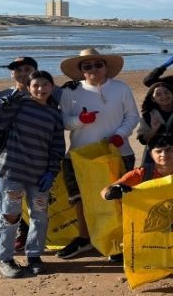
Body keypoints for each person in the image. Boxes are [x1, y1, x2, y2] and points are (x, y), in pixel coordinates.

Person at [0, 70, 65, 278]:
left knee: (39, 216)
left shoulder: (54, 115)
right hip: (11, 172)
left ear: (52, 86)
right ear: (29, 88)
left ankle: (34, 256)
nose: (41, 89)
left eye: (45, 85)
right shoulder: (18, 106)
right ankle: (5, 258)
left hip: (39, 176)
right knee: (10, 216)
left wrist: (51, 171)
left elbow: (57, 147)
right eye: (36, 86)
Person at [56, 48, 140, 260]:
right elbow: (63, 121)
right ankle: (84, 238)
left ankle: (118, 240)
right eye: (87, 66)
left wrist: (121, 134)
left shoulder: (120, 88)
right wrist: (79, 121)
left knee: (117, 197)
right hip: (80, 155)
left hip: (118, 152)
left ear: (105, 67)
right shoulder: (70, 91)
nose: (93, 69)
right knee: (80, 199)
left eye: (98, 65)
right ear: (81, 70)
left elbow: (132, 116)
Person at [0, 56, 40, 253]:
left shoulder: (44, 93)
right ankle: (6, 250)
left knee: (37, 205)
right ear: (11, 73)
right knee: (10, 206)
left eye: (27, 69)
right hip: (9, 160)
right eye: (18, 70)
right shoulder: (4, 95)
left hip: (38, 158)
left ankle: (32, 240)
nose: (23, 74)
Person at [134, 82, 173, 164]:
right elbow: (143, 140)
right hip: (157, 156)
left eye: (167, 92)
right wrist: (153, 130)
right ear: (153, 99)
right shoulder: (148, 116)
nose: (164, 96)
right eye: (158, 94)